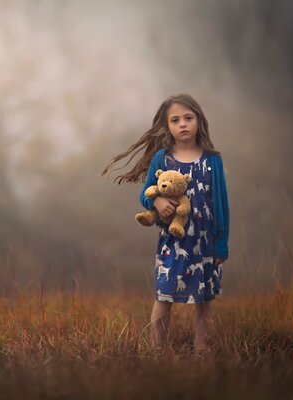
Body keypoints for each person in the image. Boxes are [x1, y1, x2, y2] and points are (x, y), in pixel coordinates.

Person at [99, 93, 230, 355]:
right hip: (173, 242)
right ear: (167, 125)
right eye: (175, 119)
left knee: (204, 300)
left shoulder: (212, 160)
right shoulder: (162, 159)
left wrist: (221, 244)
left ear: (199, 121)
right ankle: (155, 349)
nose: (183, 124)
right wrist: (156, 203)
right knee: (163, 295)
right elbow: (145, 193)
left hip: (204, 243)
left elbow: (222, 205)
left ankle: (201, 349)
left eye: (188, 118)